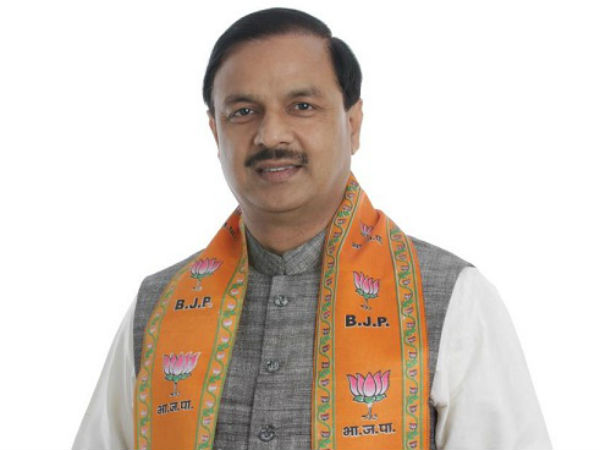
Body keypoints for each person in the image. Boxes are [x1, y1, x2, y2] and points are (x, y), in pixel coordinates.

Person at [72, 7, 552, 450]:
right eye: (243, 112)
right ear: (216, 133)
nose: (271, 135)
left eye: (301, 106)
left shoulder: (452, 300)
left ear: (353, 123)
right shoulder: (158, 309)